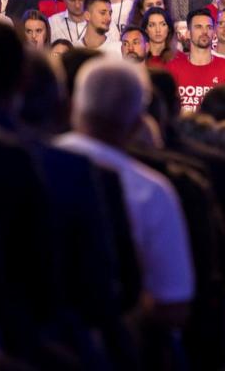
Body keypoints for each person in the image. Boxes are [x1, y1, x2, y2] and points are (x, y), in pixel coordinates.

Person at [55, 57, 194, 324]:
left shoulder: (38, 160)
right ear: (137, 123)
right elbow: (174, 304)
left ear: (73, 107)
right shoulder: (153, 191)